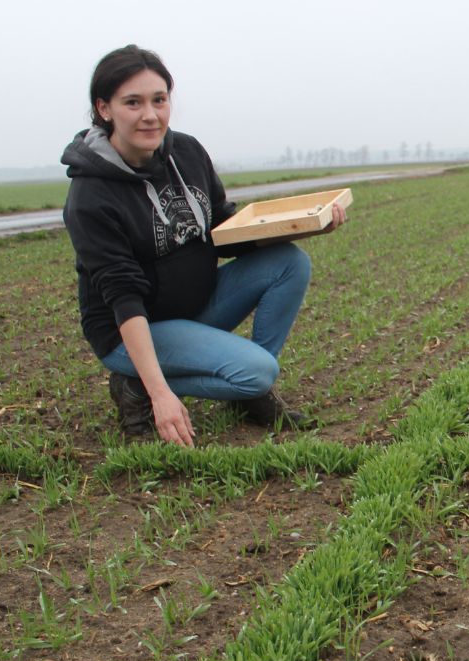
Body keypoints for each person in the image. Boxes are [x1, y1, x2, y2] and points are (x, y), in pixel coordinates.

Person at [61, 44, 343, 447]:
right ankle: (137, 384)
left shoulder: (187, 152)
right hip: (133, 330)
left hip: (196, 306)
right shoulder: (91, 197)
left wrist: (310, 224)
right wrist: (162, 394)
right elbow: (123, 296)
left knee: (288, 262)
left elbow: (224, 229)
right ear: (105, 109)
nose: (150, 115)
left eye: (159, 99)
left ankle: (249, 396)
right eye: (133, 102)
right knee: (258, 371)